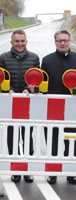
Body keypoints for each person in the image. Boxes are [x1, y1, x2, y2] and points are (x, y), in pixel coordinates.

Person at [41, 30, 76, 185]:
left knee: (72, 141)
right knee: (53, 141)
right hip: (52, 108)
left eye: (65, 40)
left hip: (73, 108)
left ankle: (71, 173)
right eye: (59, 40)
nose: (62, 43)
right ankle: (53, 172)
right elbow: (43, 84)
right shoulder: (47, 60)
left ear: (70, 41)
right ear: (55, 42)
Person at [0, 29, 40, 183]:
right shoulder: (3, 58)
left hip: (27, 104)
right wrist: (6, 89)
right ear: (11, 42)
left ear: (26, 42)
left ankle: (27, 170)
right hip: (9, 104)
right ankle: (16, 170)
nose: (20, 44)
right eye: (17, 41)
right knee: (12, 137)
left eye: (22, 41)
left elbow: (36, 78)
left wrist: (29, 88)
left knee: (28, 136)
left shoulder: (34, 58)